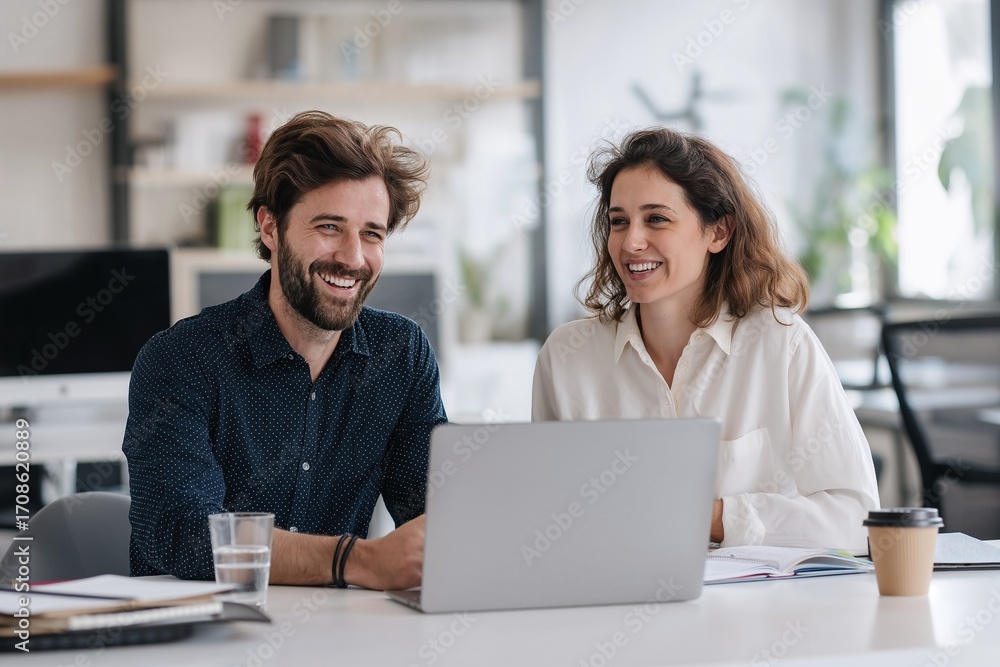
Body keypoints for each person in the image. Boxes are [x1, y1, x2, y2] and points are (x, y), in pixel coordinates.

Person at [123, 111, 446, 590]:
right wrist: (355, 560)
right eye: (330, 226)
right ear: (271, 227)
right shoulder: (181, 359)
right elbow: (186, 535)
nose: (353, 257)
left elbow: (437, 515)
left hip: (341, 626)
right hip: (201, 628)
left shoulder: (400, 353)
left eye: (372, 233)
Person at [532, 128, 879, 552]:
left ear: (718, 233)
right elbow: (545, 521)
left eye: (656, 219)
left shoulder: (781, 343)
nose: (631, 242)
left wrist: (712, 517)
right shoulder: (567, 358)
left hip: (755, 595)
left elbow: (859, 519)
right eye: (619, 221)